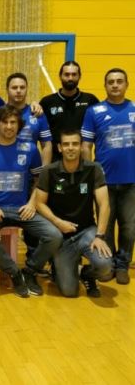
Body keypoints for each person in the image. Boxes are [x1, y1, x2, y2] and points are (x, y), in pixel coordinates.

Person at [0, 106, 63, 298]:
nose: (9, 126)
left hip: (22, 209)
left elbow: (39, 181)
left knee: (54, 236)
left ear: (19, 125)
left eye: (13, 122)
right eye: (5, 122)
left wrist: (32, 203)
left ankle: (29, 271)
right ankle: (14, 273)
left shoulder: (30, 149)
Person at [35, 130, 113, 297]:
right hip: (61, 237)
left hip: (87, 231)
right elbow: (39, 203)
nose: (71, 148)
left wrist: (99, 236)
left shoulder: (94, 169)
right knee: (69, 292)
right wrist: (57, 222)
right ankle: (58, 267)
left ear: (81, 147)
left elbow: (104, 204)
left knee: (106, 266)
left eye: (75, 144)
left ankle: (87, 274)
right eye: (66, 144)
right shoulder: (49, 171)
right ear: (60, 148)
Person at [82, 68, 135, 285]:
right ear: (105, 85)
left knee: (129, 226)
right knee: (106, 223)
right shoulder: (94, 111)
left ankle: (123, 265)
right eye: (111, 82)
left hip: (131, 180)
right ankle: (110, 264)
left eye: (119, 81)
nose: (115, 85)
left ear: (127, 84)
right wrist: (92, 173)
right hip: (104, 182)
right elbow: (86, 146)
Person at [0, 73, 53, 165]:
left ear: (27, 89)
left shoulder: (37, 113)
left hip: (29, 173)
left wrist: (44, 173)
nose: (18, 91)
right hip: (1, 169)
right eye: (14, 88)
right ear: (7, 90)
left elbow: (46, 145)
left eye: (22, 87)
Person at [40, 61, 100, 161]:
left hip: (82, 163)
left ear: (79, 76)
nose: (70, 78)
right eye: (67, 74)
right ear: (60, 76)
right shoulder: (47, 102)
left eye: (74, 74)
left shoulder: (91, 100)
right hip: (55, 164)